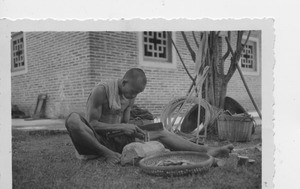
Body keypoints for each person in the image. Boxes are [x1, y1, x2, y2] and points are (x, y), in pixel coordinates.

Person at [65, 68, 233, 164]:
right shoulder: (101, 91)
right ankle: (107, 153)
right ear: (124, 82)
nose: (133, 97)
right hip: (97, 141)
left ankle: (207, 150)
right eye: (132, 92)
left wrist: (132, 130)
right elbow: (93, 124)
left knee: (159, 129)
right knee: (72, 120)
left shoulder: (129, 96)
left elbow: (124, 125)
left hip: (115, 139)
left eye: (137, 94)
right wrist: (123, 126)